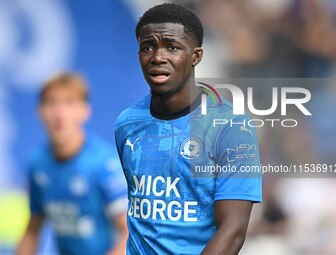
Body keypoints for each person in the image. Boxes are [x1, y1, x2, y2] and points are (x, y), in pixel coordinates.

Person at [114, 3, 262, 255]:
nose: (157, 57)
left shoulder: (231, 127)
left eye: (172, 47)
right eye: (147, 47)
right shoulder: (127, 123)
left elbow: (233, 230)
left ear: (196, 56)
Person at [16, 73, 128, 255]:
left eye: (69, 103)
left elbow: (129, 233)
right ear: (40, 111)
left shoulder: (104, 164)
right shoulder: (37, 164)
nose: (59, 114)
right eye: (51, 103)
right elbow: (33, 229)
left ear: (85, 111)